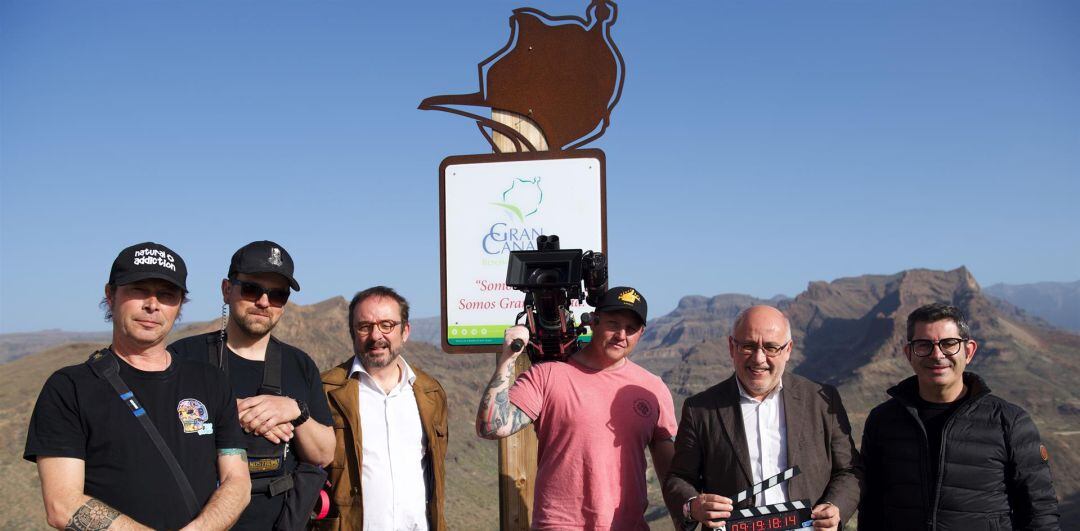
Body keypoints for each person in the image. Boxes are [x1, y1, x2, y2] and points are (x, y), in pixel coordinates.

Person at [24, 242, 250, 530]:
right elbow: (62, 504)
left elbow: (237, 481)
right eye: (139, 290)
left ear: (180, 305)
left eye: (167, 295)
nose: (152, 304)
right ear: (110, 295)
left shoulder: (210, 381)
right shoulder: (70, 388)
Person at [478, 286, 677, 530]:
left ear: (641, 333)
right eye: (613, 324)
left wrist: (683, 521)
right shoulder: (547, 375)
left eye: (631, 329)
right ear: (594, 321)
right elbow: (490, 427)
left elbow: (671, 474)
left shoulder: (652, 388)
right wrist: (508, 357)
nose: (621, 335)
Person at [169, 240, 334, 530]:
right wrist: (230, 414)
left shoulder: (300, 364)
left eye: (278, 294)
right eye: (251, 289)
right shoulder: (183, 357)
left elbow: (324, 454)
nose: (263, 302)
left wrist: (295, 411)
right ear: (226, 289)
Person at [859, 303, 1060, 530]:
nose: (937, 355)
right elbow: (871, 506)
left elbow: (1039, 512)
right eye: (924, 345)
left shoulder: (1010, 422)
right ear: (909, 354)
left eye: (949, 344)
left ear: (969, 351)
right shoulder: (883, 420)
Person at [663, 305, 862, 530]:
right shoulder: (700, 409)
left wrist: (835, 507)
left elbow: (849, 470)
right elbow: (678, 478)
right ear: (731, 347)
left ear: (788, 350)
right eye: (748, 346)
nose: (759, 359)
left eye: (771, 347)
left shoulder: (821, 401)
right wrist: (693, 506)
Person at [318, 286, 448, 531]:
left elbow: (435, 476)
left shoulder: (431, 393)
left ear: (405, 331)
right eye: (365, 326)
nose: (376, 336)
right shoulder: (325, 391)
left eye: (387, 325)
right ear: (352, 333)